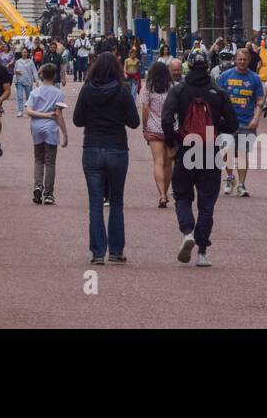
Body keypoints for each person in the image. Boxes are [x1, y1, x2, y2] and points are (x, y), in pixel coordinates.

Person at [161, 48, 239, 267]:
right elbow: (232, 124)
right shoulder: (218, 91)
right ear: (207, 65)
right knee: (207, 202)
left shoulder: (179, 90)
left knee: (182, 195)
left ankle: (187, 231)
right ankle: (202, 252)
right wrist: (215, 127)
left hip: (186, 147)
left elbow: (167, 118)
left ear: (188, 65)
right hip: (209, 150)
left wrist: (172, 140)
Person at [73, 51, 139, 264]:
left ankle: (98, 251)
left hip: (92, 147)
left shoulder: (87, 90)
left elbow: (77, 120)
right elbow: (134, 122)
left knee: (95, 202)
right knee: (117, 201)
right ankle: (116, 250)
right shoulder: (122, 90)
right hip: (117, 148)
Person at [217, 47, 265, 197]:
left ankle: (241, 184)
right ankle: (230, 177)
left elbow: (260, 100)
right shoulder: (224, 76)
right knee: (227, 152)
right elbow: (217, 98)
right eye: (240, 59)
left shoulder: (255, 79)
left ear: (249, 61)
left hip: (246, 122)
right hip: (227, 122)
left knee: (243, 155)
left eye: (245, 60)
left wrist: (256, 118)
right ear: (235, 60)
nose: (242, 62)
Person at [27, 63, 67, 205]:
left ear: (41, 74)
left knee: (38, 159)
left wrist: (42, 115)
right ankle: (49, 194)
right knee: (50, 162)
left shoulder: (34, 92)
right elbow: (59, 115)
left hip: (36, 127)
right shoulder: (58, 93)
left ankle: (38, 185)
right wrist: (65, 134)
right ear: (54, 76)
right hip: (51, 129)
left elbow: (29, 111)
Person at [139, 60, 175, 209]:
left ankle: (161, 194)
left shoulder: (147, 88)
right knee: (168, 164)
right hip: (171, 127)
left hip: (154, 128)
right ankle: (166, 192)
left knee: (158, 162)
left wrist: (145, 126)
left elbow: (145, 109)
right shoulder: (172, 87)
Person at [13, 48, 37, 118]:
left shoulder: (30, 62)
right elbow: (15, 70)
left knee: (29, 97)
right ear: (21, 53)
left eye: (25, 52)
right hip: (19, 81)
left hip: (28, 81)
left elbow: (34, 71)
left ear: (27, 53)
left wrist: (37, 80)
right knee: (19, 96)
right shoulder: (18, 62)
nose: (24, 53)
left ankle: (29, 111)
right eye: (23, 52)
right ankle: (20, 111)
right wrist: (16, 72)